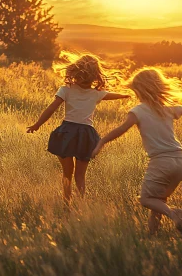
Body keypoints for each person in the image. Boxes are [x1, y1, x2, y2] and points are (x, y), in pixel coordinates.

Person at [92, 67, 182, 235]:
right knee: (159, 200)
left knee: (146, 199)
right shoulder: (168, 107)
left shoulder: (139, 110)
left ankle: (174, 214)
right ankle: (152, 235)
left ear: (140, 90)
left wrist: (102, 141)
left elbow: (121, 129)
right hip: (180, 161)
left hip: (161, 161)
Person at [27, 51, 130, 205]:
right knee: (80, 176)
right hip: (86, 135)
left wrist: (37, 125)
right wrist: (125, 95)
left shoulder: (66, 90)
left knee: (67, 173)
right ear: (96, 76)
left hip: (67, 133)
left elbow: (51, 109)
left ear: (75, 72)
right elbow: (112, 95)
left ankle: (67, 203)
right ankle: (80, 205)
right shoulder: (97, 93)